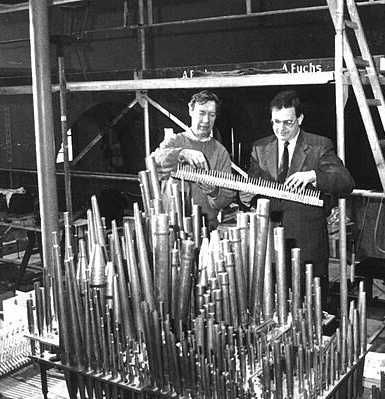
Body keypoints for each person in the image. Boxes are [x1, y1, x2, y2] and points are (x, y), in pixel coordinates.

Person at [242, 90, 354, 307]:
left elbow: (346, 182)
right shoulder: (260, 148)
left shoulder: (319, 145)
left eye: (288, 122)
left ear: (300, 119)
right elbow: (252, 191)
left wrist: (314, 176)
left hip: (307, 245)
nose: (281, 129)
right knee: (273, 306)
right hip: (269, 244)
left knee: (312, 308)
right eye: (276, 122)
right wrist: (246, 197)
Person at [151, 90, 235, 228]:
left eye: (211, 115)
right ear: (191, 111)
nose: (206, 120)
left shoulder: (221, 152)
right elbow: (153, 163)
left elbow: (227, 197)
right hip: (173, 227)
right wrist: (181, 153)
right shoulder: (174, 142)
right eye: (201, 113)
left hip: (206, 228)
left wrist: (214, 192)